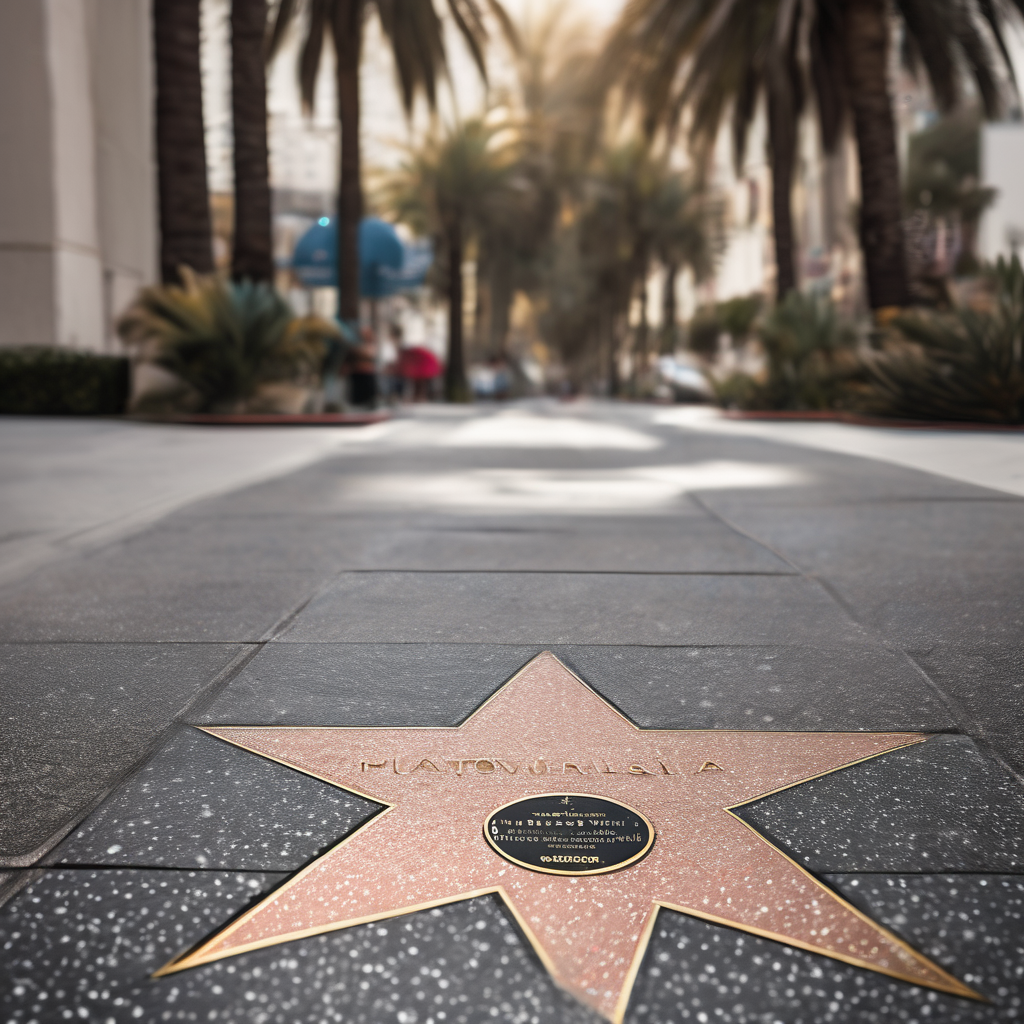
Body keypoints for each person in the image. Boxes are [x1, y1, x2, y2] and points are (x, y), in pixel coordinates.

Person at [347, 327, 378, 408]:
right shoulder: (356, 344)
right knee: (358, 396)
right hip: (357, 373)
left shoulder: (371, 345)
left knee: (368, 395)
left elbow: (370, 354)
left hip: (367, 373)